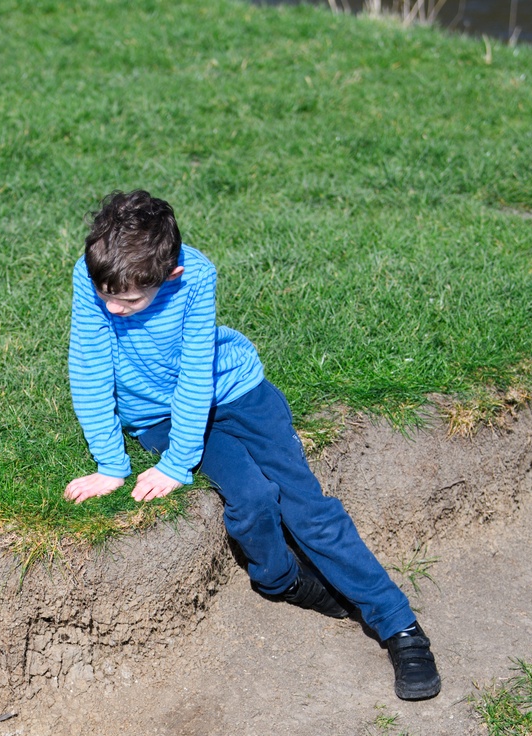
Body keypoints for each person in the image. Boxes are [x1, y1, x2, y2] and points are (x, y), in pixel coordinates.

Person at [62, 191, 441, 701]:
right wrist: (112, 464)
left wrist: (177, 465)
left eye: (129, 301)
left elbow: (196, 375)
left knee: (306, 508)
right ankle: (282, 581)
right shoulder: (95, 275)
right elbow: (88, 367)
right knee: (253, 496)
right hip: (158, 416)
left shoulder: (195, 277)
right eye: (105, 294)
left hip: (237, 392)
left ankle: (398, 625)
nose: (113, 308)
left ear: (169, 275)